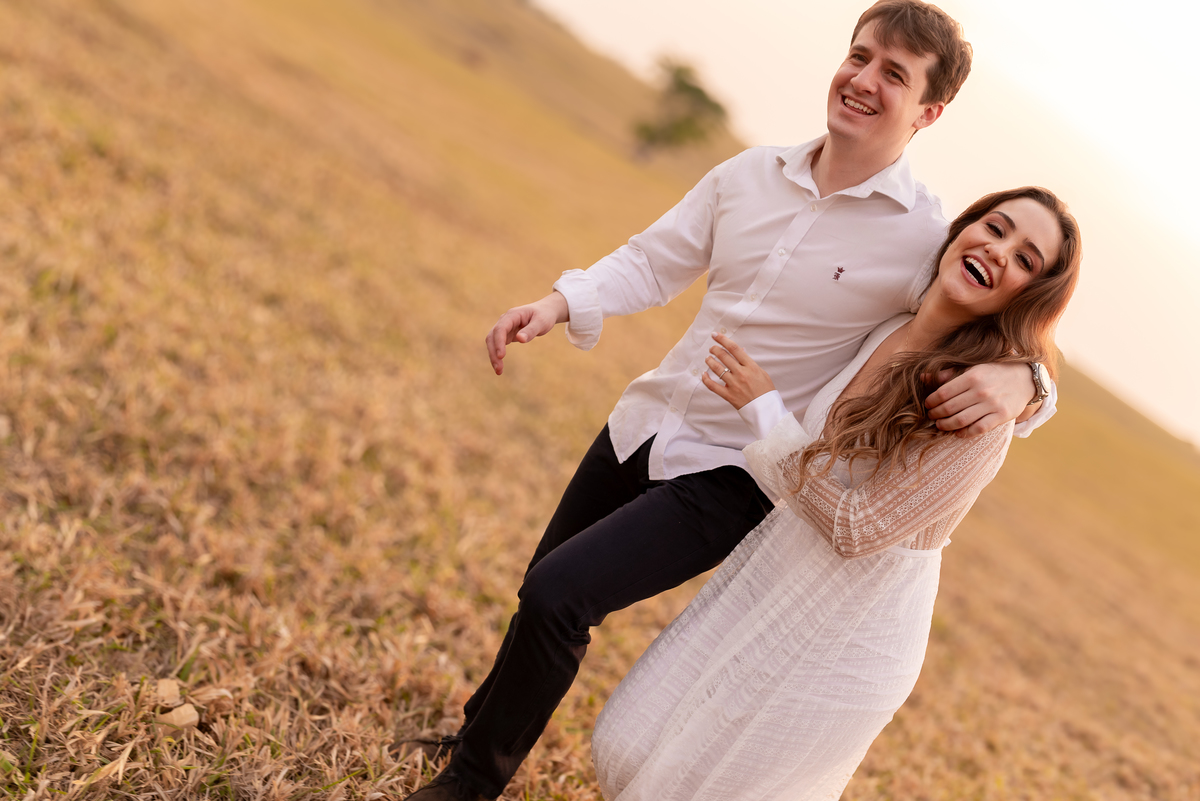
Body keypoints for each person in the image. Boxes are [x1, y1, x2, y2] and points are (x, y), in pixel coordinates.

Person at [406, 3, 1057, 799]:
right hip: (644, 421)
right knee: (542, 584)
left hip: (733, 472)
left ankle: (470, 782)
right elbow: (654, 260)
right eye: (860, 56)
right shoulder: (749, 174)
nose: (862, 80)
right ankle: (476, 729)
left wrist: (1031, 383)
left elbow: (985, 317)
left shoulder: (923, 240)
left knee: (559, 597)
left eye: (894, 73)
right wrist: (559, 304)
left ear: (930, 111)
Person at [591, 186, 1081, 800]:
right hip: (774, 578)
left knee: (693, 788)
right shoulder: (888, 324)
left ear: (1026, 295)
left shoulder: (979, 406)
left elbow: (858, 530)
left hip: (849, 634)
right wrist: (1035, 378)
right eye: (996, 227)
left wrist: (763, 410)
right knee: (630, 745)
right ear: (961, 231)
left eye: (1026, 259)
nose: (999, 250)